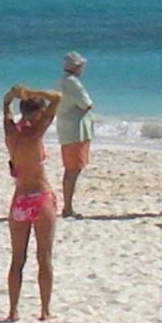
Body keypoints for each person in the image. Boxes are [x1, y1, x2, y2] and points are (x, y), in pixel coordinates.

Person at [0, 85, 59, 320]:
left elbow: (5, 104)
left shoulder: (10, 133)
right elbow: (58, 98)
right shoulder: (35, 134)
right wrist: (35, 92)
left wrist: (13, 96)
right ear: (35, 113)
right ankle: (44, 311)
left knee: (17, 259)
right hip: (40, 198)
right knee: (44, 256)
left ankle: (12, 311)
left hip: (19, 200)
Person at [54, 52, 97, 216]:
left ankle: (68, 206)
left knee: (70, 168)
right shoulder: (73, 83)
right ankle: (68, 208)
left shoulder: (61, 81)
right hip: (76, 130)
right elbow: (86, 104)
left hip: (66, 128)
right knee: (73, 169)